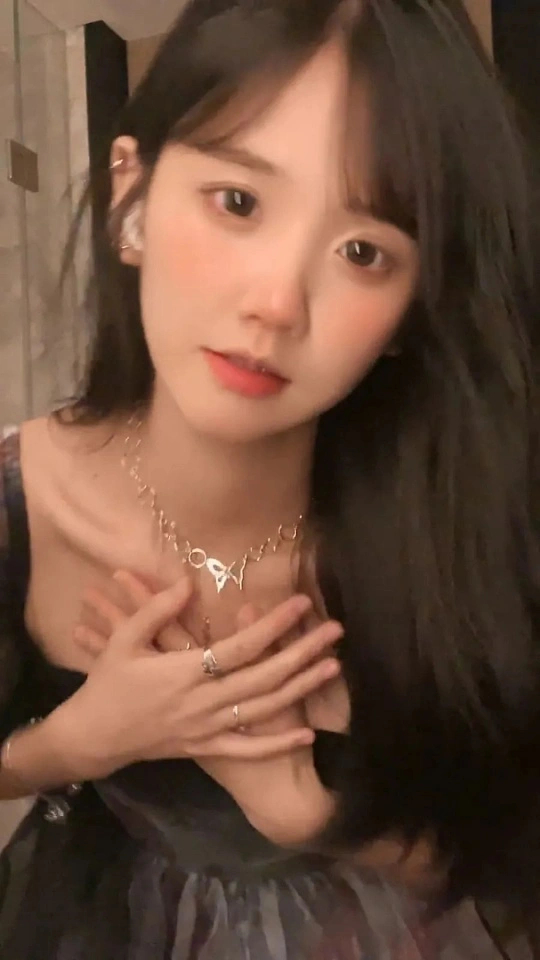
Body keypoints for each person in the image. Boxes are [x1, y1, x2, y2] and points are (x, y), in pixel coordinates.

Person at [0, 0, 538, 956]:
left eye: (363, 252)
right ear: (132, 200)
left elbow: (497, 857)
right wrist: (76, 742)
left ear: (413, 309)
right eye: (239, 203)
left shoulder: (464, 530)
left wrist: (307, 814)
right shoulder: (20, 505)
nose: (278, 303)